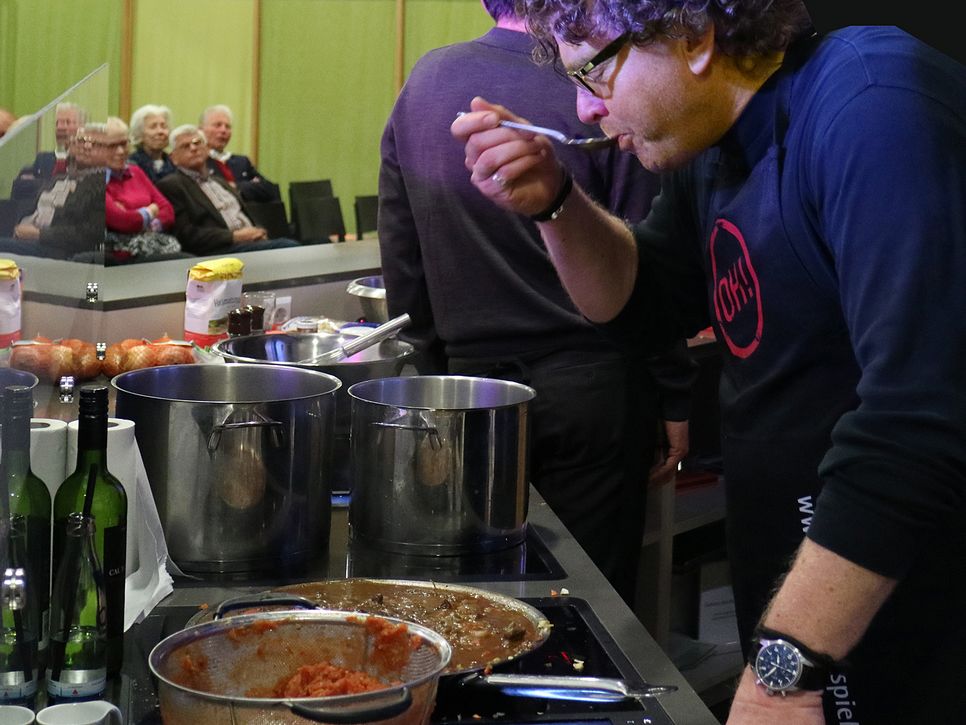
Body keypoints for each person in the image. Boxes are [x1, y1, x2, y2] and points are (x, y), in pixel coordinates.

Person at [453, 1, 966, 723]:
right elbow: (643, 306)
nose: (584, 106)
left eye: (593, 71)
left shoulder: (872, 107)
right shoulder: (717, 147)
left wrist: (784, 672)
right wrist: (555, 203)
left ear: (692, 35)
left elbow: (919, 420)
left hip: (909, 593)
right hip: (809, 583)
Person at [379, 0, 695, 607]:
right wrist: (675, 391)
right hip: (594, 389)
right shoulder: (608, 76)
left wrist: (427, 381)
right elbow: (644, 259)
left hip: (468, 396)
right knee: (586, 607)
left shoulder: (426, 80)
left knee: (476, 608)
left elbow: (402, 251)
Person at [156, 125, 299, 255]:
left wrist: (258, 232)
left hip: (251, 243)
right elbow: (186, 235)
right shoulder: (172, 185)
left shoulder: (219, 181)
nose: (193, 148)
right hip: (219, 250)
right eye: (185, 146)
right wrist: (234, 237)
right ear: (173, 158)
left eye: (197, 143)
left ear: (206, 149)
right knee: (289, 248)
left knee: (295, 248)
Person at [2, 123, 106, 260]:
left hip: (56, 246)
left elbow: (87, 234)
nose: (85, 147)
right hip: (25, 234)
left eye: (95, 144)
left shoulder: (102, 184)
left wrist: (39, 234)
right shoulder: (58, 179)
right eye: (81, 141)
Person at [102, 117, 186, 264]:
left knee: (187, 263)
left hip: (150, 244)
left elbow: (168, 210)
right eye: (112, 146)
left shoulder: (135, 171)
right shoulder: (96, 179)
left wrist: (145, 223)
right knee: (184, 263)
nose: (120, 151)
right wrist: (151, 211)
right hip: (121, 253)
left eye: (124, 143)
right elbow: (122, 220)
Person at [200, 104, 281, 203]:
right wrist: (250, 185)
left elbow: (270, 190)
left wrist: (236, 186)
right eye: (217, 125)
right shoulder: (198, 162)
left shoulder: (242, 162)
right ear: (201, 130)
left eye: (228, 126)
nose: (223, 130)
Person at [10, 102, 87, 202]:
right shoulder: (43, 159)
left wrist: (41, 185)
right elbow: (20, 190)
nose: (60, 128)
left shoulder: (86, 162)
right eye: (57, 123)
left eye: (67, 122)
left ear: (81, 128)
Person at [128, 104, 176, 183]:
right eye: (153, 127)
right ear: (139, 133)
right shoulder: (130, 165)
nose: (160, 131)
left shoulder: (175, 165)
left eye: (164, 126)